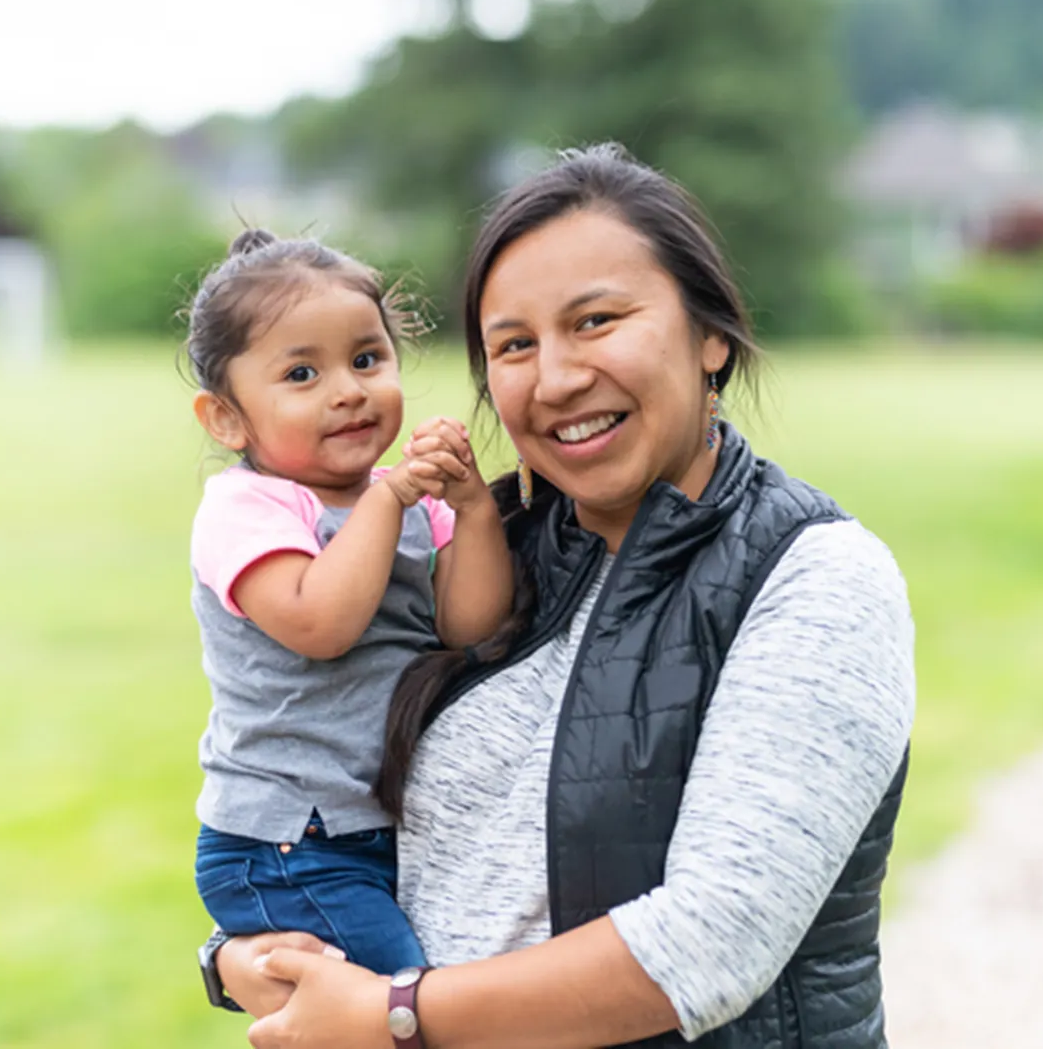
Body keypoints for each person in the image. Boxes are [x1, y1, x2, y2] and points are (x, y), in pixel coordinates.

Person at [203, 145, 916, 1049]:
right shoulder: (482, 550)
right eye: (514, 344)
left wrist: (395, 1015)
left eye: (597, 321)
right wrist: (236, 952)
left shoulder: (815, 578)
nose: (555, 377)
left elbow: (711, 942)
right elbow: (328, 791)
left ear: (710, 336)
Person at [183, 229, 516, 977]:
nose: (347, 389)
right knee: (401, 1001)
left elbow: (468, 626)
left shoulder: (401, 506)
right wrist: (392, 497)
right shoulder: (247, 507)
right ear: (227, 418)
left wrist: (473, 512)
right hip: (285, 842)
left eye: (367, 359)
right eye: (302, 373)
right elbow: (321, 623)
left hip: (372, 831)